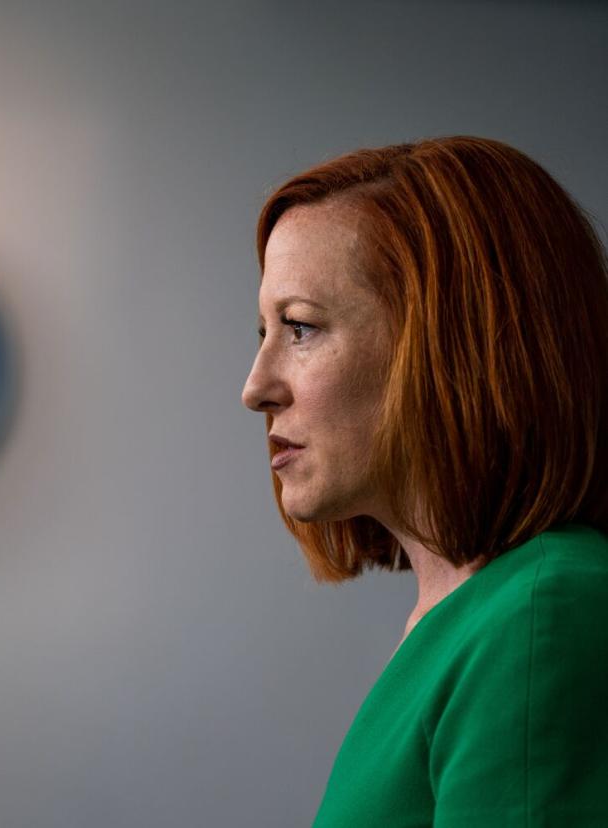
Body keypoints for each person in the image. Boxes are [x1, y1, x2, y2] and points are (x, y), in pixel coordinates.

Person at [241, 136, 608, 825]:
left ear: (453, 339)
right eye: (261, 331)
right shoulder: (472, 615)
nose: (255, 388)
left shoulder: (544, 616)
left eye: (299, 328)